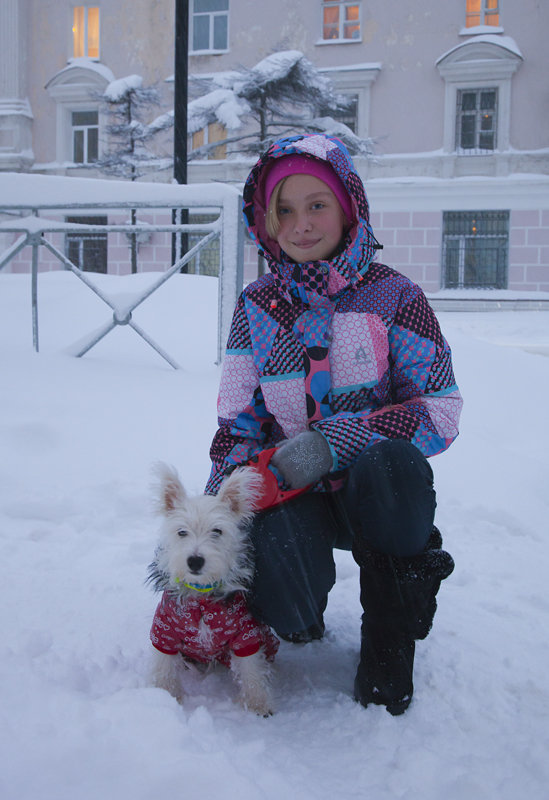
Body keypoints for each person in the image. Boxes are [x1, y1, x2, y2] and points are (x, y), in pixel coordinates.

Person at [205, 133, 463, 715]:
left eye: (316, 204)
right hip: (296, 495)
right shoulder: (256, 306)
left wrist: (333, 442)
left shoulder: (395, 297)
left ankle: (390, 633)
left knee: (392, 464)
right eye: (285, 211)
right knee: (287, 613)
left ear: (348, 206)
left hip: (378, 496)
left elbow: (440, 409)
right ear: (266, 222)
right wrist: (210, 523)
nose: (301, 225)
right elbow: (237, 425)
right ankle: (299, 613)